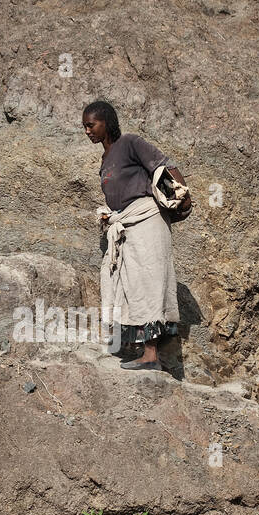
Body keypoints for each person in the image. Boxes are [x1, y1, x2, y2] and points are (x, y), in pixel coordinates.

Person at [82, 100, 190, 372]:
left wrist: (183, 197)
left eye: (91, 125)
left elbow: (163, 166)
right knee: (125, 284)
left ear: (106, 121)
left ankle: (151, 355)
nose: (87, 131)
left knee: (147, 283)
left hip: (147, 220)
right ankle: (136, 348)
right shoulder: (106, 160)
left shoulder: (130, 143)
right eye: (84, 126)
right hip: (126, 224)